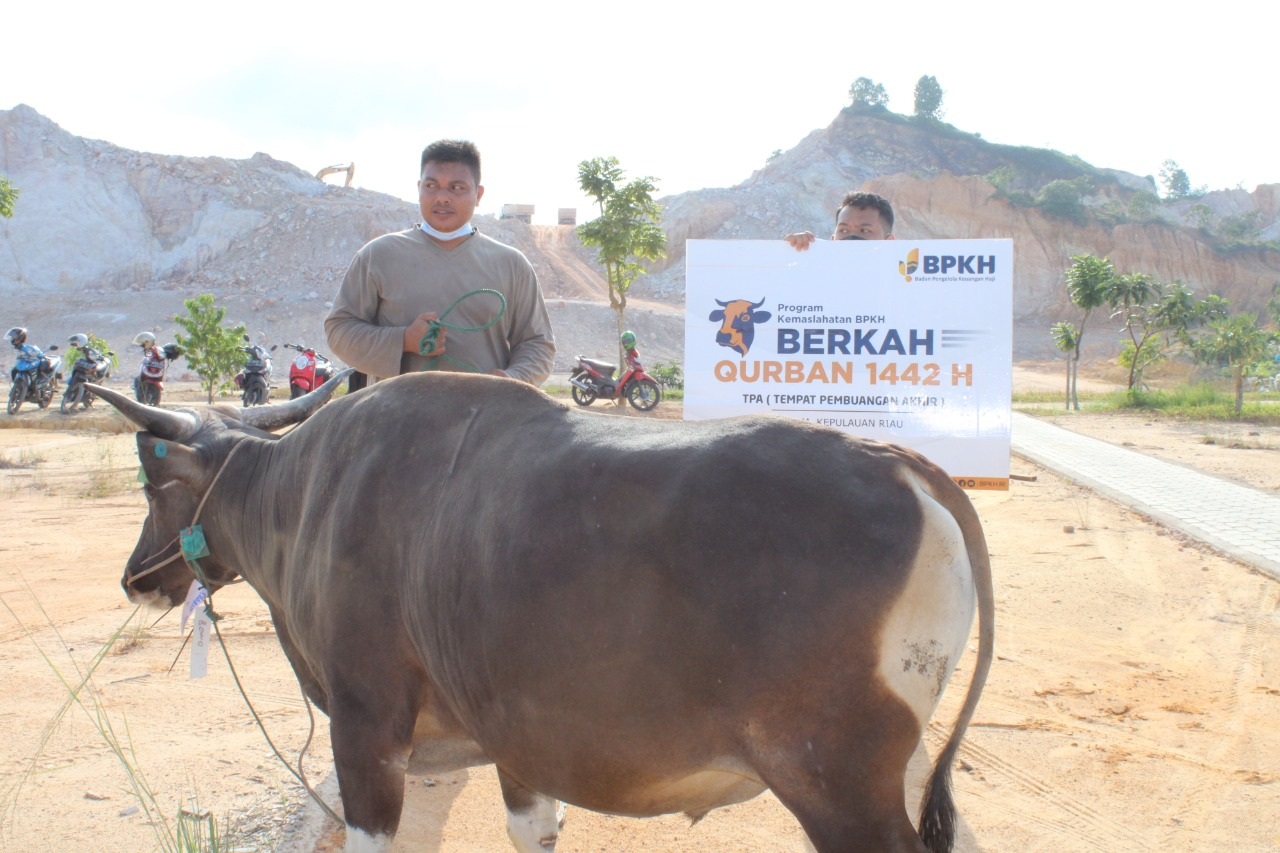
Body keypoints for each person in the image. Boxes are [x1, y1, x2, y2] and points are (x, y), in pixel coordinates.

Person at [324, 139, 555, 386]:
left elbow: (538, 344)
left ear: (478, 194)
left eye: (457, 188)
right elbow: (340, 330)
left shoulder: (512, 265)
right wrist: (403, 340)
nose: (442, 197)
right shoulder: (377, 255)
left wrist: (511, 380)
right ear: (419, 188)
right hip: (394, 411)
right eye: (431, 186)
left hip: (486, 411)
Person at [784, 191, 896, 250]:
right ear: (833, 239)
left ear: (889, 242)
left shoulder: (900, 280)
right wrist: (793, 249)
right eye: (844, 230)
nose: (851, 238)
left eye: (864, 230)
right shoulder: (818, 273)